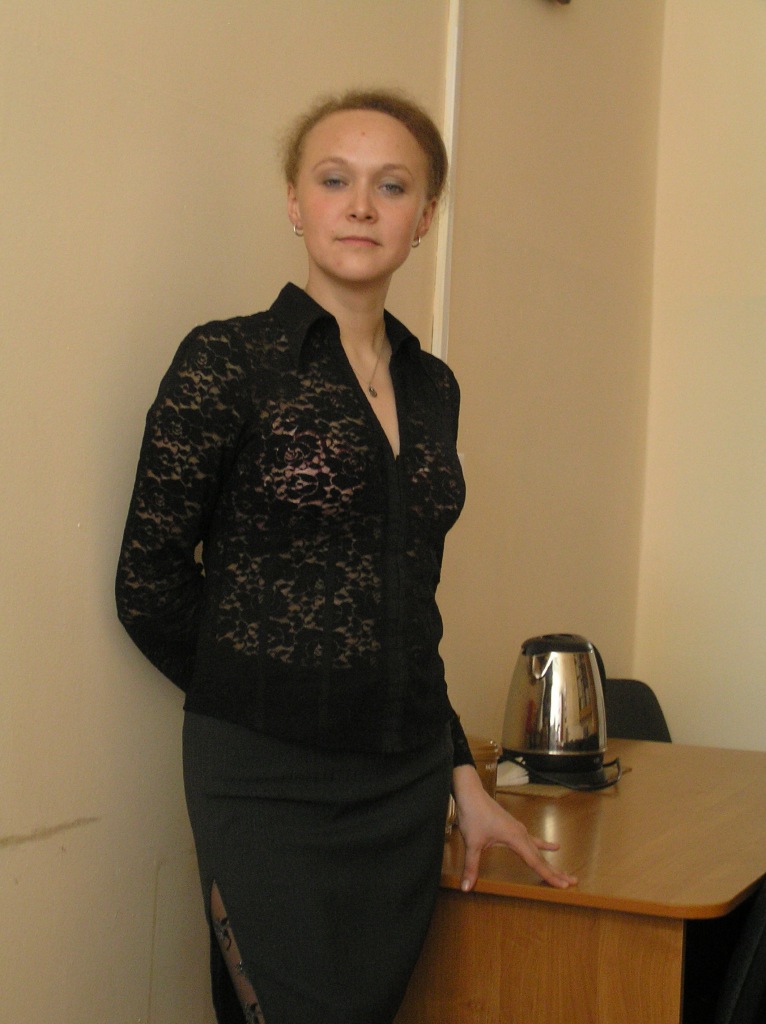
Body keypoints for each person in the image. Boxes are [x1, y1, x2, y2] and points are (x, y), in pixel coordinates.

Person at [116, 87, 576, 1024]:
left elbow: (409, 608)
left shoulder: (433, 386)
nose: (361, 206)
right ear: (295, 202)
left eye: (391, 186)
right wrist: (267, 697)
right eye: (335, 180)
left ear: (424, 218)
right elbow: (148, 581)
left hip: (402, 786)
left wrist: (461, 778)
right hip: (263, 781)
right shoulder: (226, 360)